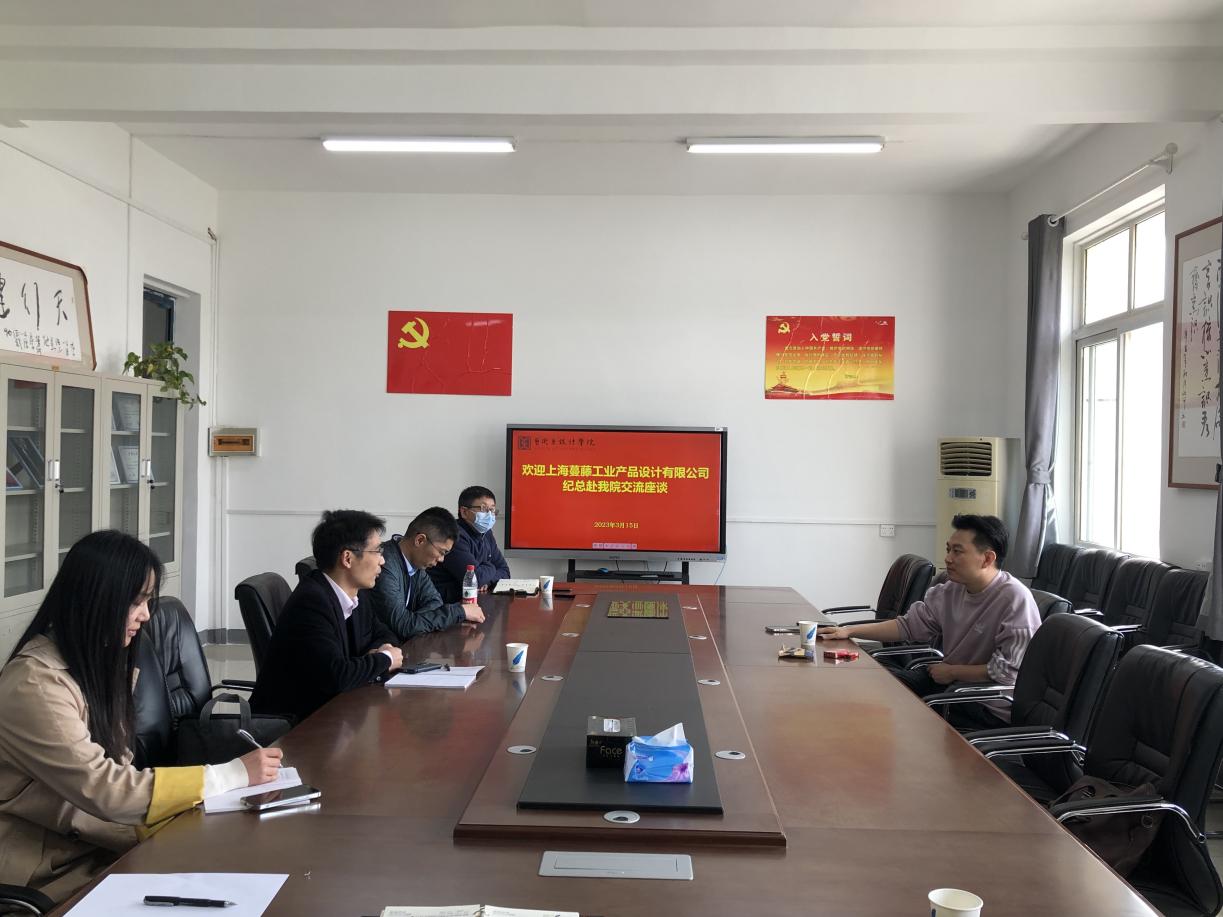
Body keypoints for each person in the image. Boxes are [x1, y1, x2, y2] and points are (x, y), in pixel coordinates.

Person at [0, 531, 282, 904]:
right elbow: (107, 789)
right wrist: (230, 775)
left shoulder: (97, 664)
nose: (146, 615)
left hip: (101, 844)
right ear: (95, 600)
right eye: (136, 602)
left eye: (148, 601)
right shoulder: (34, 684)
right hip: (48, 874)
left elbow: (120, 770)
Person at [817, 514, 1040, 728]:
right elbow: (907, 626)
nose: (948, 558)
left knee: (901, 714)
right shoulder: (951, 590)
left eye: (957, 551)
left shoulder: (1015, 599)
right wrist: (849, 631)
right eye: (948, 549)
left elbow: (1006, 671)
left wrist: (953, 672)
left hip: (984, 702)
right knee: (878, 686)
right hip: (949, 681)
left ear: (988, 558)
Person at [251, 510, 404, 722]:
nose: (383, 561)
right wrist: (385, 659)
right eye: (377, 551)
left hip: (332, 711)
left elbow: (384, 633)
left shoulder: (356, 593)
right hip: (292, 725)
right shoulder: (311, 602)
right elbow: (337, 676)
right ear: (347, 558)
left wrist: (381, 648)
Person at [371, 506, 486, 642]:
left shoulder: (417, 565)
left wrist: (414, 621)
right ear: (420, 540)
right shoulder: (384, 565)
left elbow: (435, 603)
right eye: (441, 552)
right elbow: (403, 626)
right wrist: (460, 611)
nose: (441, 559)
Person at [429, 485, 511, 603]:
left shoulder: (486, 533)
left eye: (492, 510)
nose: (489, 515)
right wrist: (491, 566)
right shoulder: (454, 535)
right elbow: (475, 578)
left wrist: (487, 581)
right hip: (445, 602)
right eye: (483, 509)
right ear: (464, 512)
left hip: (472, 598)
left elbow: (505, 571)